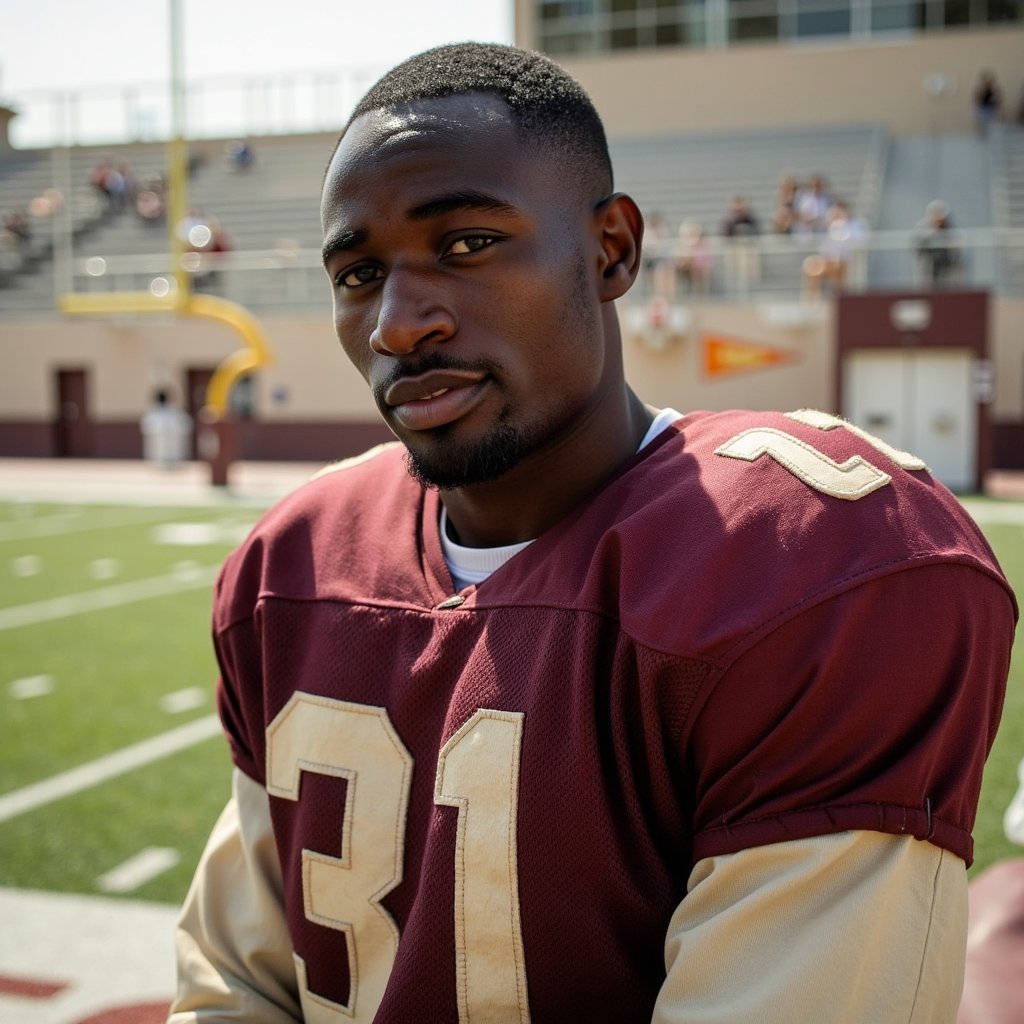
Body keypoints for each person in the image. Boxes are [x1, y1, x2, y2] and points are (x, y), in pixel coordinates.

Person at [170, 42, 1017, 1024]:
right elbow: (235, 988)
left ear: (612, 249)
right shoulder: (297, 563)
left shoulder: (814, 564)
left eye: (466, 244)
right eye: (358, 273)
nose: (397, 323)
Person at [914, 199, 961, 287]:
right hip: (928, 263)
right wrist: (933, 232)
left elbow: (956, 246)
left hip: (946, 263)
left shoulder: (950, 227)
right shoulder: (922, 227)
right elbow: (917, 246)